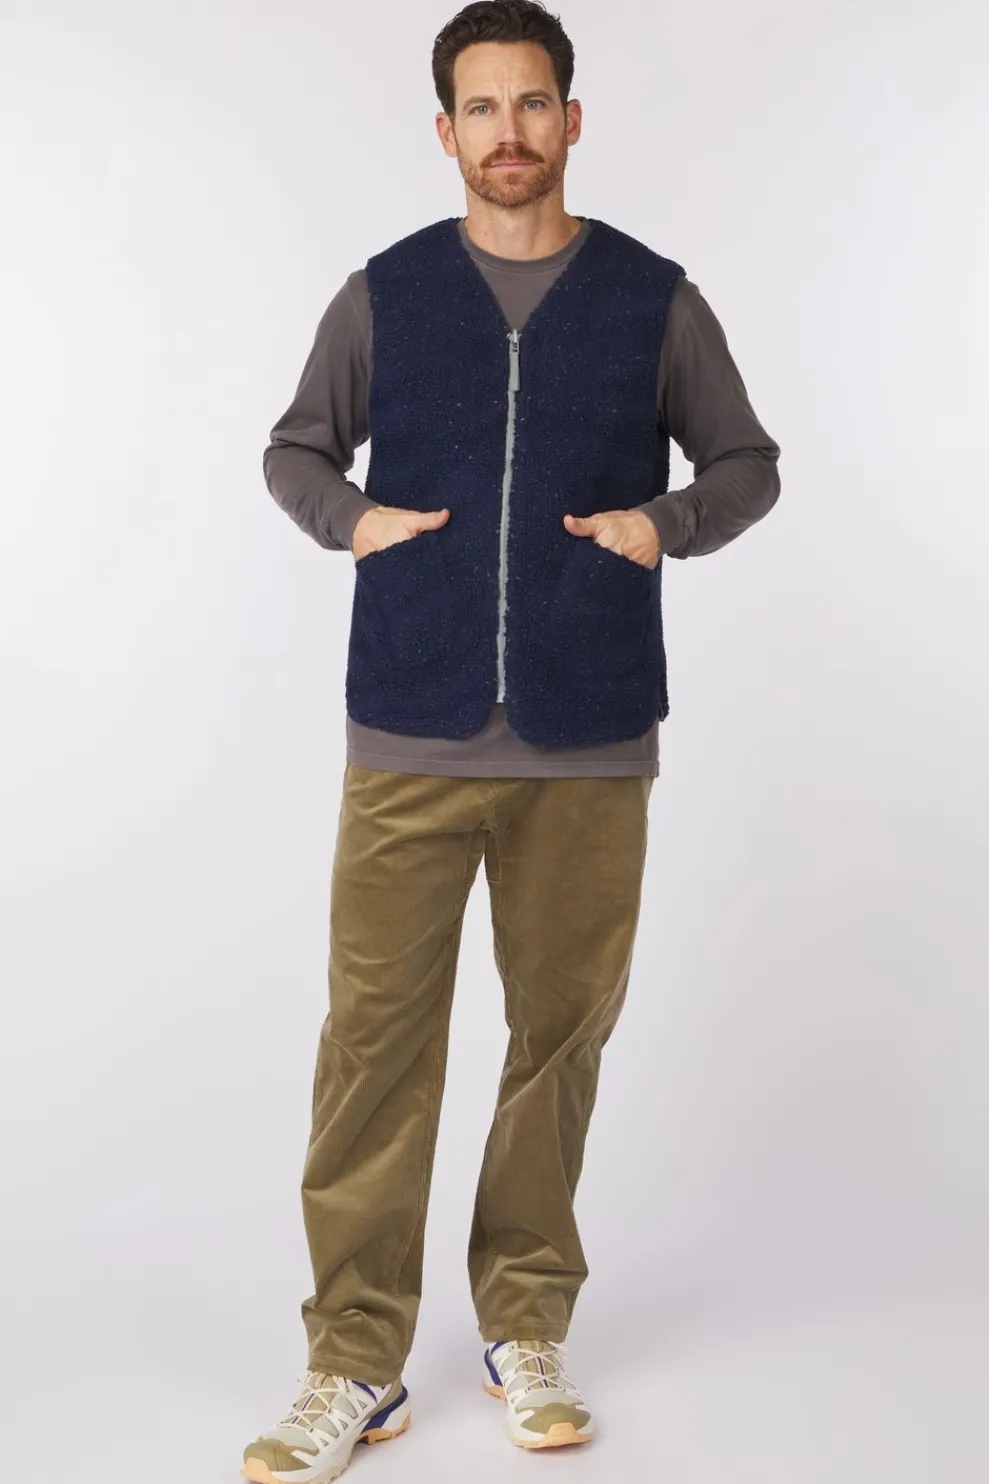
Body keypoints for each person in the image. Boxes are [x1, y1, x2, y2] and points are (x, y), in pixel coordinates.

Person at [242, 1, 781, 1478]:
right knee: (375, 1045)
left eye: (532, 103)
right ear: (446, 132)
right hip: (408, 731)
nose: (509, 132)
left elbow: (746, 463)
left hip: (590, 734)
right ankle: (356, 1360)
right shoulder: (385, 294)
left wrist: (664, 525)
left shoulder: (655, 300)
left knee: (559, 1041)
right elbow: (295, 447)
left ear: (572, 120)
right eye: (480, 108)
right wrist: (352, 521)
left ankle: (524, 1319)